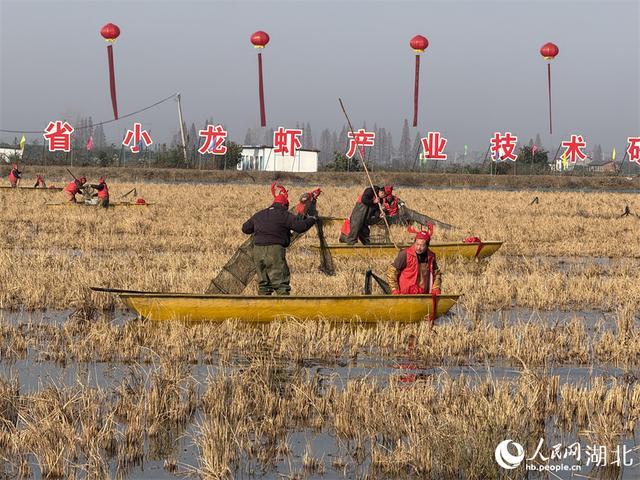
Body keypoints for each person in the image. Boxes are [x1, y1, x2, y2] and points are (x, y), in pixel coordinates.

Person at [242, 183, 317, 295]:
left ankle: (263, 308)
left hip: (257, 251)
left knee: (264, 285)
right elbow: (300, 227)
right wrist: (312, 219)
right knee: (281, 284)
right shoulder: (285, 215)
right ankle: (284, 308)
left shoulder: (259, 215)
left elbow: (245, 229)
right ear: (285, 205)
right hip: (275, 250)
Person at [386, 224, 442, 295]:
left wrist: (436, 288)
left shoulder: (431, 256)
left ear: (427, 245)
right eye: (417, 244)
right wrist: (394, 289)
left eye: (422, 245)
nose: (418, 247)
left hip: (423, 295)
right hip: (404, 295)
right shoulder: (404, 254)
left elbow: (436, 274)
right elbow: (391, 272)